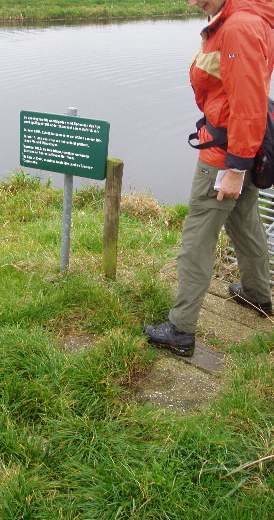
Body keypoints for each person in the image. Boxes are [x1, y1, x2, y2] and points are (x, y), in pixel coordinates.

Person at [144, 0, 274, 357]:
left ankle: (181, 329)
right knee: (245, 223)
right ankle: (258, 296)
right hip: (240, 149)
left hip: (226, 155)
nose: (190, 0)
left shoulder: (238, 28)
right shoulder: (239, 17)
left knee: (197, 239)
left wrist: (234, 169)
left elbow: (248, 104)